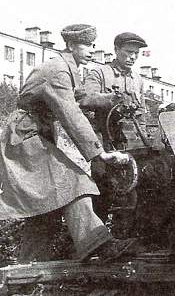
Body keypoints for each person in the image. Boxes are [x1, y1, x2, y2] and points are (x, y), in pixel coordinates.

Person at [0, 24, 138, 263]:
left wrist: (111, 98)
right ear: (71, 45)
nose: (91, 50)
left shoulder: (66, 68)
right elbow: (70, 113)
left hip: (33, 136)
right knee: (76, 183)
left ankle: (28, 269)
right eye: (85, 45)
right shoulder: (58, 72)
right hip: (25, 138)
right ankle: (97, 244)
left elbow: (80, 97)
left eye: (93, 45)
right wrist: (98, 154)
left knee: (45, 207)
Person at [76, 32, 149, 237]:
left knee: (130, 191)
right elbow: (84, 99)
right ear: (116, 50)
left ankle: (123, 236)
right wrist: (111, 99)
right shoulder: (99, 73)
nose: (133, 57)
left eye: (136, 53)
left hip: (130, 145)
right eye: (128, 52)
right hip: (104, 143)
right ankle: (96, 239)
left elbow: (141, 113)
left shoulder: (138, 80)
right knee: (103, 190)